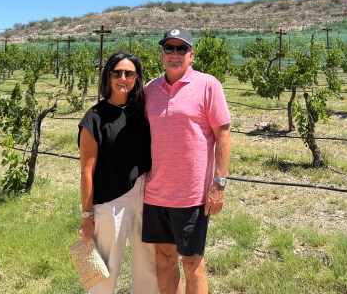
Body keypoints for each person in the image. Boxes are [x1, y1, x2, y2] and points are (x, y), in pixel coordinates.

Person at [142, 28, 232, 294]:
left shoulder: (208, 85)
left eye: (181, 49)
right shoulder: (150, 89)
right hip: (156, 193)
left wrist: (219, 184)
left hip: (191, 195)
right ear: (162, 55)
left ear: (191, 55)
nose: (175, 54)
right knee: (164, 259)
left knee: (193, 264)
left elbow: (223, 135)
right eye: (169, 48)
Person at [77, 52, 159, 293]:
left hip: (145, 195)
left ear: (137, 78)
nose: (122, 78)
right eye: (117, 73)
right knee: (104, 271)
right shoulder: (95, 118)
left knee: (148, 264)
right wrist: (87, 216)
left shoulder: (141, 113)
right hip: (111, 202)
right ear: (108, 76)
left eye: (129, 73)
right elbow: (86, 172)